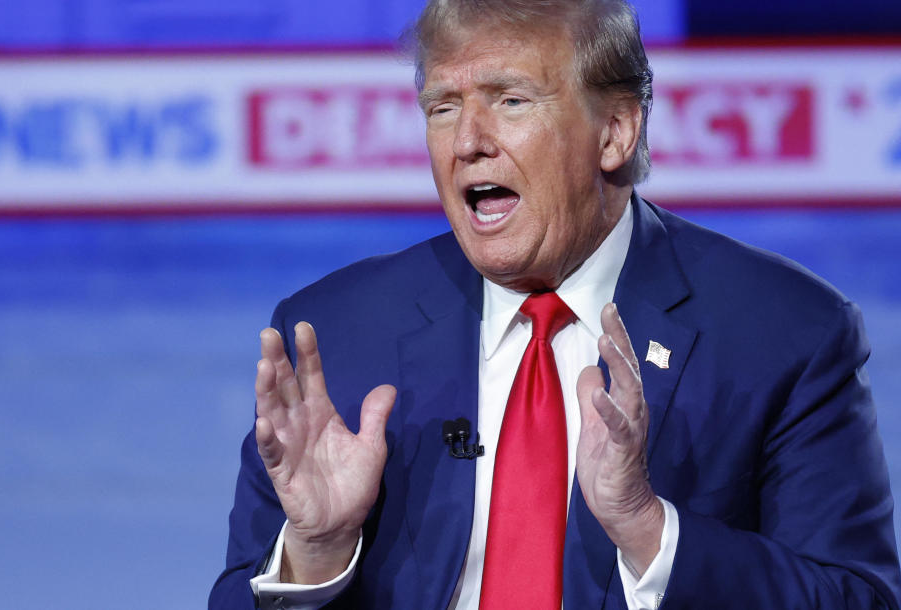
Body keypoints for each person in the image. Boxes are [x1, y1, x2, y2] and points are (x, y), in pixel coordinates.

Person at [210, 0, 901, 608]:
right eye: (443, 108)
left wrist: (649, 532)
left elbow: (857, 598)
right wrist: (318, 554)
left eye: (511, 101)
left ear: (615, 134)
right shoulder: (335, 332)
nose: (468, 143)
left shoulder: (785, 334)